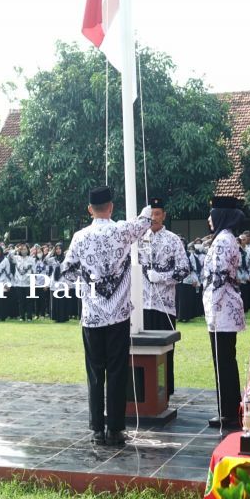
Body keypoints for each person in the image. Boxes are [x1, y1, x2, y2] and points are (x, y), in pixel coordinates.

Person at [61, 186, 153, 447]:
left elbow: (66, 272)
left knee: (95, 373)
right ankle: (115, 429)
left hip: (92, 316)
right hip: (119, 314)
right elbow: (145, 222)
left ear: (90, 209)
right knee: (116, 371)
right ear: (111, 207)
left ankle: (97, 430)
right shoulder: (122, 230)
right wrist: (148, 208)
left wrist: (87, 277)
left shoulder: (80, 237)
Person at [138, 197, 190, 396]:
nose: (154, 218)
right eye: (151, 214)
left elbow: (184, 269)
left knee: (166, 349)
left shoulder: (173, 239)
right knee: (143, 350)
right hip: (143, 303)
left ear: (164, 215)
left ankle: (165, 390)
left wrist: (163, 277)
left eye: (157, 213)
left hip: (164, 304)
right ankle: (145, 390)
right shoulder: (140, 238)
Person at [201, 196, 245, 430]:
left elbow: (216, 279)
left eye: (212, 214)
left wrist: (211, 310)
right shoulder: (227, 238)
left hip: (221, 310)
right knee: (226, 360)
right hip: (226, 308)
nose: (209, 219)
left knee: (224, 362)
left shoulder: (222, 241)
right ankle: (230, 409)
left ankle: (228, 412)